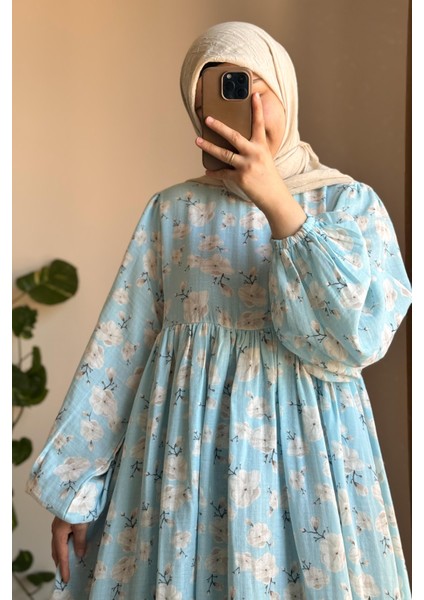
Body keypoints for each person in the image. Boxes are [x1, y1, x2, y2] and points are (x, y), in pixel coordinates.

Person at [26, 21, 412, 599]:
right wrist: (74, 488)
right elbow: (121, 349)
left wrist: (277, 201)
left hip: (308, 469)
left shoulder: (345, 204)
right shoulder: (173, 212)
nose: (244, 107)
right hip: (186, 467)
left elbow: (357, 338)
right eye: (220, 94)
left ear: (286, 88)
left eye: (255, 87)